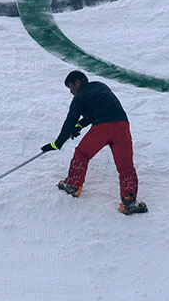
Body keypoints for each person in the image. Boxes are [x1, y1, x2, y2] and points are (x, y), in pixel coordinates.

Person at [42, 71, 147, 215]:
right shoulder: (100, 86)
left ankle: (73, 185)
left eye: (70, 87)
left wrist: (58, 143)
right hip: (122, 126)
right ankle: (129, 202)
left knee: (82, 154)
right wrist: (79, 126)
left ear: (78, 82)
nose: (71, 92)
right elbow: (96, 111)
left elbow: (70, 120)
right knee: (125, 165)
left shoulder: (79, 97)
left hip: (102, 129)